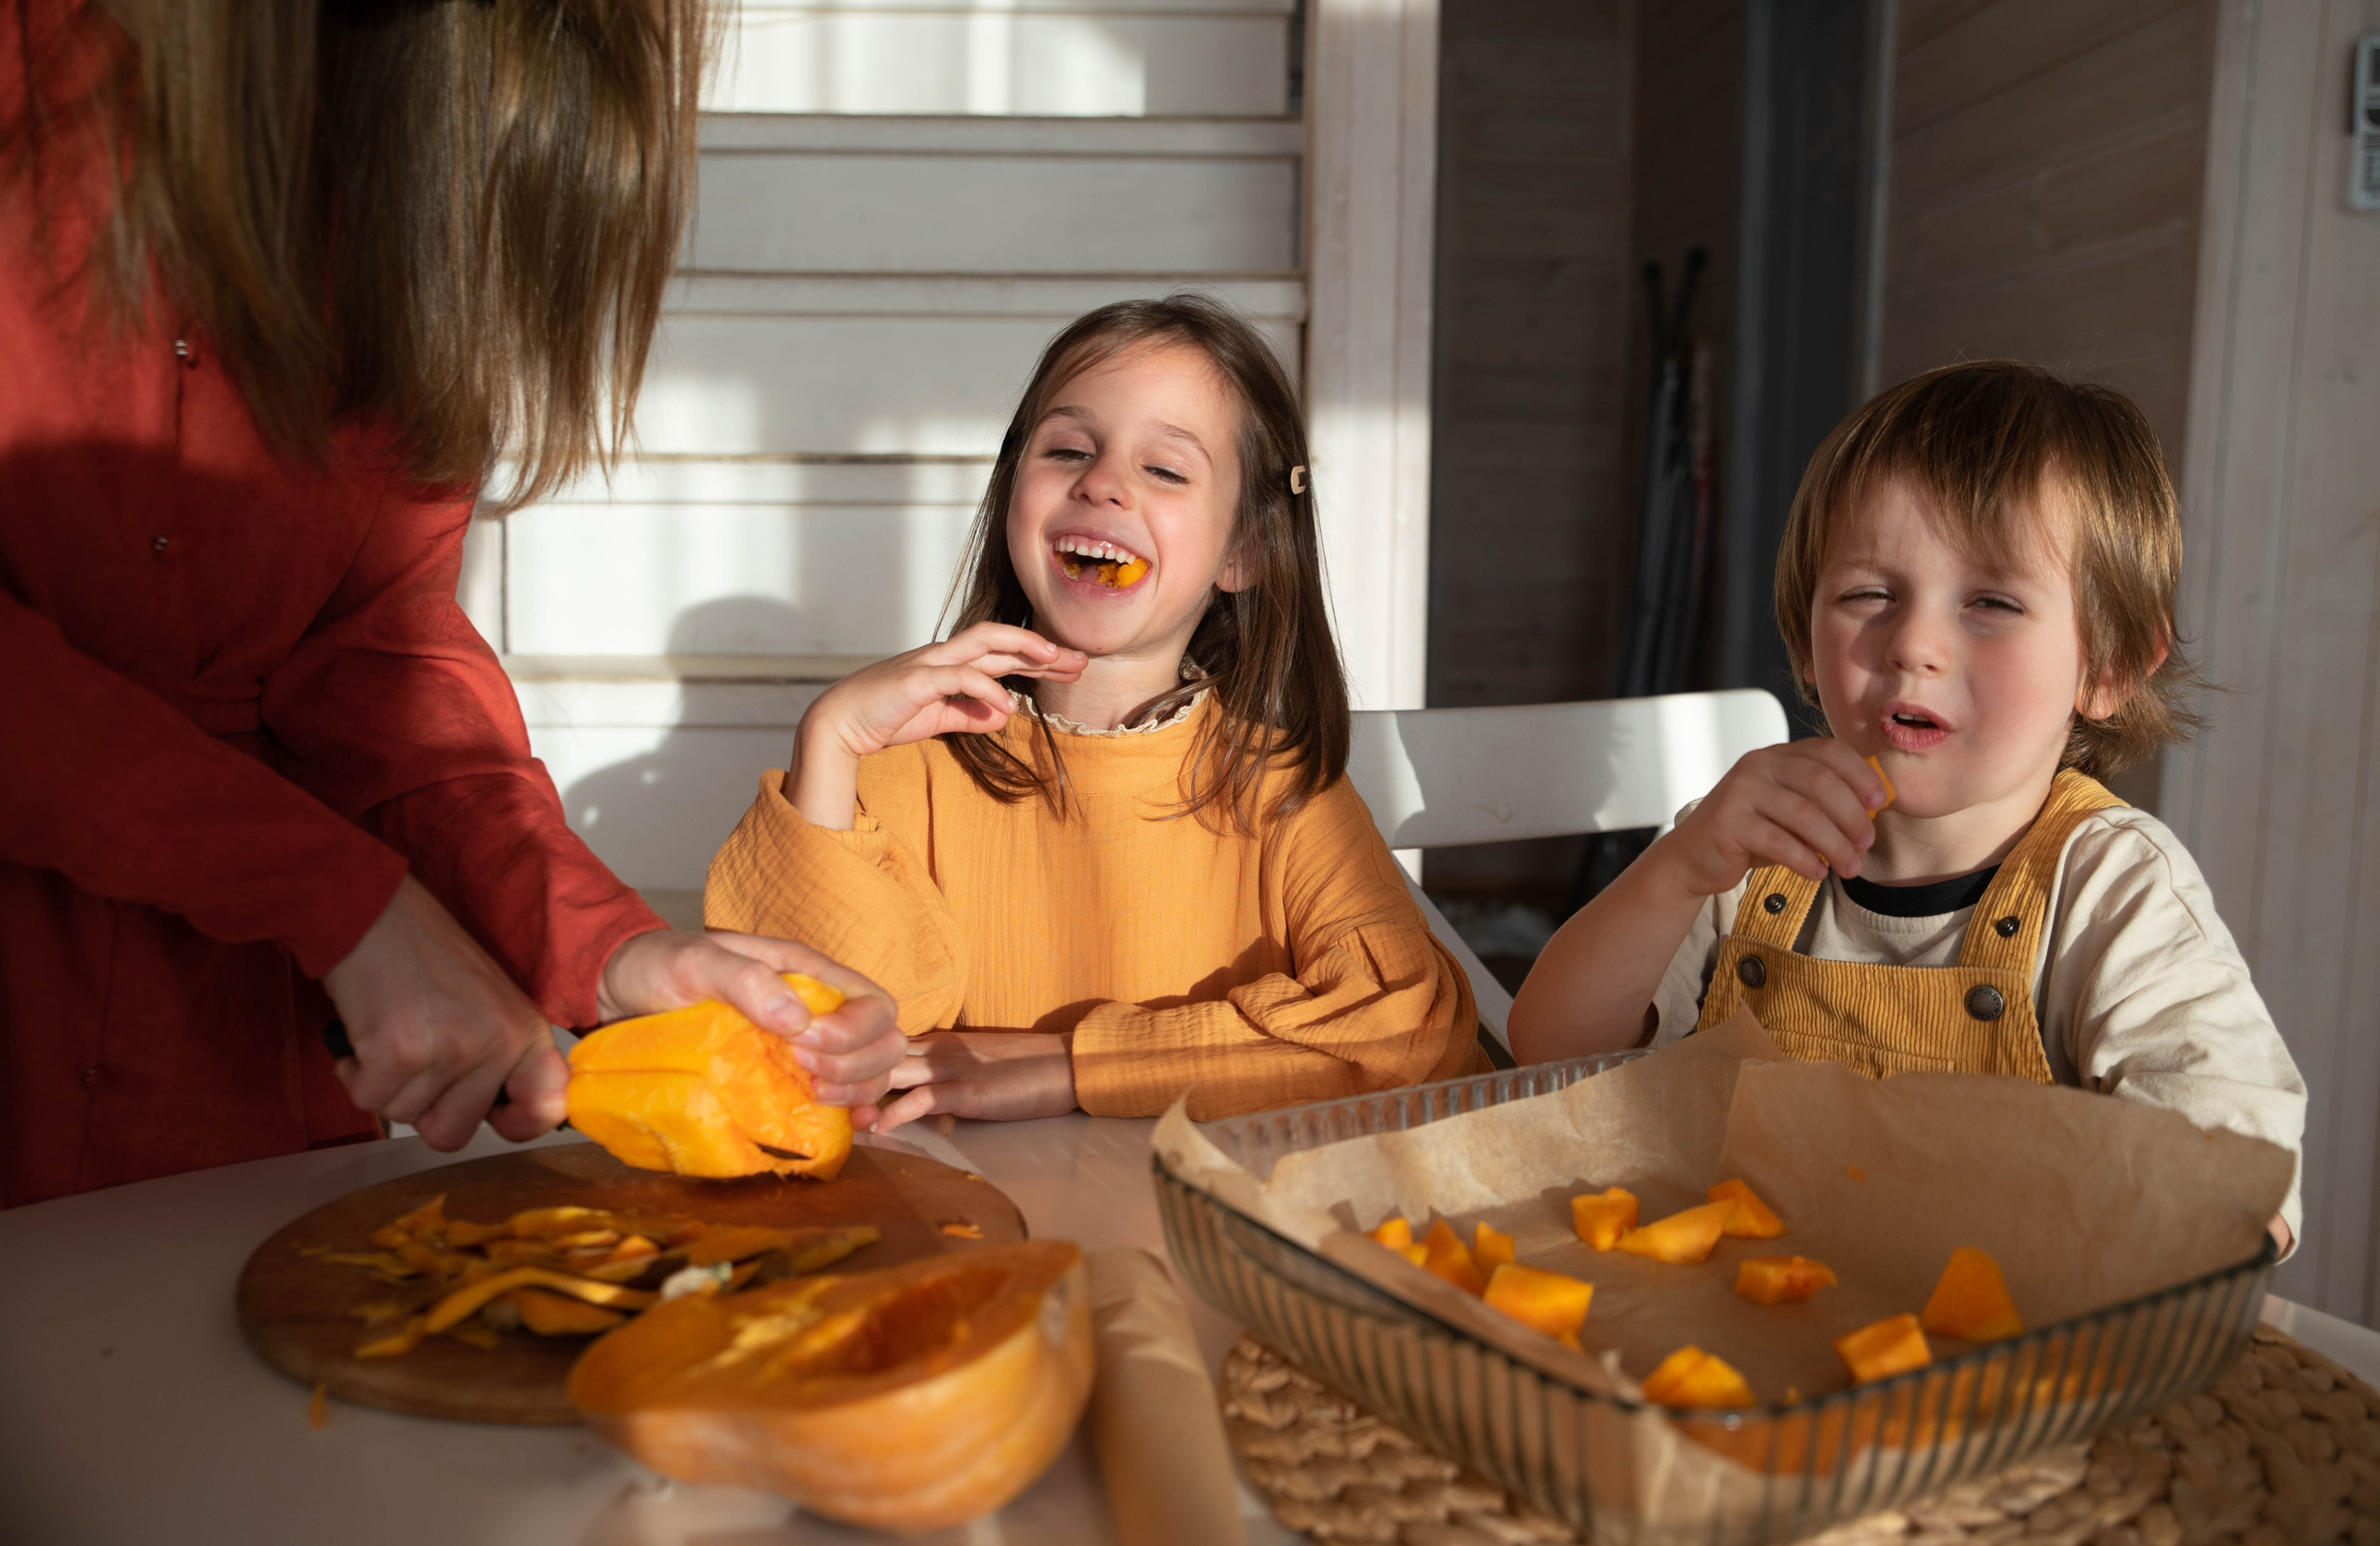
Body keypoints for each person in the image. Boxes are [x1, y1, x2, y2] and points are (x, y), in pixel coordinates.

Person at [0, 0, 902, 1207]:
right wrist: (346, 903)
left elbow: (370, 651)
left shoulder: (422, 120)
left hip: (231, 1104)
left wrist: (612, 951)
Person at [1507, 361, 2306, 1245]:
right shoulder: (1746, 850)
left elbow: (2240, 1178)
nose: (1913, 643)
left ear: (2108, 665)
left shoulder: (2113, 887)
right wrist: (1677, 869)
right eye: (1868, 594)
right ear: (1805, 641)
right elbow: (1552, 1050)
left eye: (1993, 602)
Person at [705, 295, 1486, 1130]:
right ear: (1013, 497)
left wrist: (1076, 1066)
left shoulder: (1284, 792)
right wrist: (828, 741)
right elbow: (807, 1032)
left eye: (1166, 469)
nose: (1103, 483)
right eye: (1069, 448)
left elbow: (1411, 1028)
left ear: (1245, 550)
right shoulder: (907, 764)